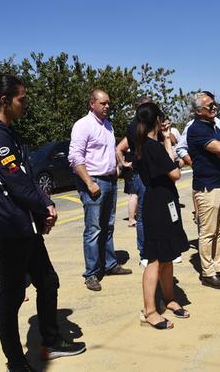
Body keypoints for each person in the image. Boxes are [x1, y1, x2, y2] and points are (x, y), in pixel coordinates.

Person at [0, 74, 85, 370]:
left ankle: (51, 338)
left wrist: (43, 206)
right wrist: (44, 206)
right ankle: (15, 360)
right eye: (21, 99)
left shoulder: (7, 131)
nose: (25, 104)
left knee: (48, 281)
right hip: (11, 226)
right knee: (11, 296)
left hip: (26, 224)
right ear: (4, 100)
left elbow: (26, 176)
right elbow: (15, 180)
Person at [69, 89, 132, 292]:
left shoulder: (107, 125)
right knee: (94, 229)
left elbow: (110, 151)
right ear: (92, 104)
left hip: (110, 181)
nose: (107, 107)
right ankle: (92, 273)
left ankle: (110, 264)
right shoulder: (83, 125)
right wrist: (89, 182)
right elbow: (75, 158)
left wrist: (116, 167)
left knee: (108, 225)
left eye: (108, 104)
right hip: (93, 181)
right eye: (103, 103)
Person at [134, 102, 190, 329]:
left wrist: (167, 138)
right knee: (155, 259)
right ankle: (149, 311)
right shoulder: (150, 147)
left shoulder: (150, 144)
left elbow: (170, 168)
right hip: (157, 205)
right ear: (157, 120)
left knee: (168, 255)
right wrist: (172, 155)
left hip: (165, 202)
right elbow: (176, 173)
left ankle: (169, 298)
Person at [187, 92, 220, 289]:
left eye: (214, 104)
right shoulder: (197, 129)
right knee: (208, 232)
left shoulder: (213, 126)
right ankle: (208, 273)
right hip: (208, 187)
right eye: (209, 105)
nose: (214, 107)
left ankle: (218, 267)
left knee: (219, 229)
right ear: (199, 111)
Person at [116, 96, 152, 268]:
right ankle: (144, 252)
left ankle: (152, 249)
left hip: (151, 174)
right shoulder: (136, 126)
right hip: (142, 174)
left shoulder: (148, 124)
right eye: (149, 106)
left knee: (152, 214)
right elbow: (122, 148)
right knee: (144, 215)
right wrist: (124, 163)